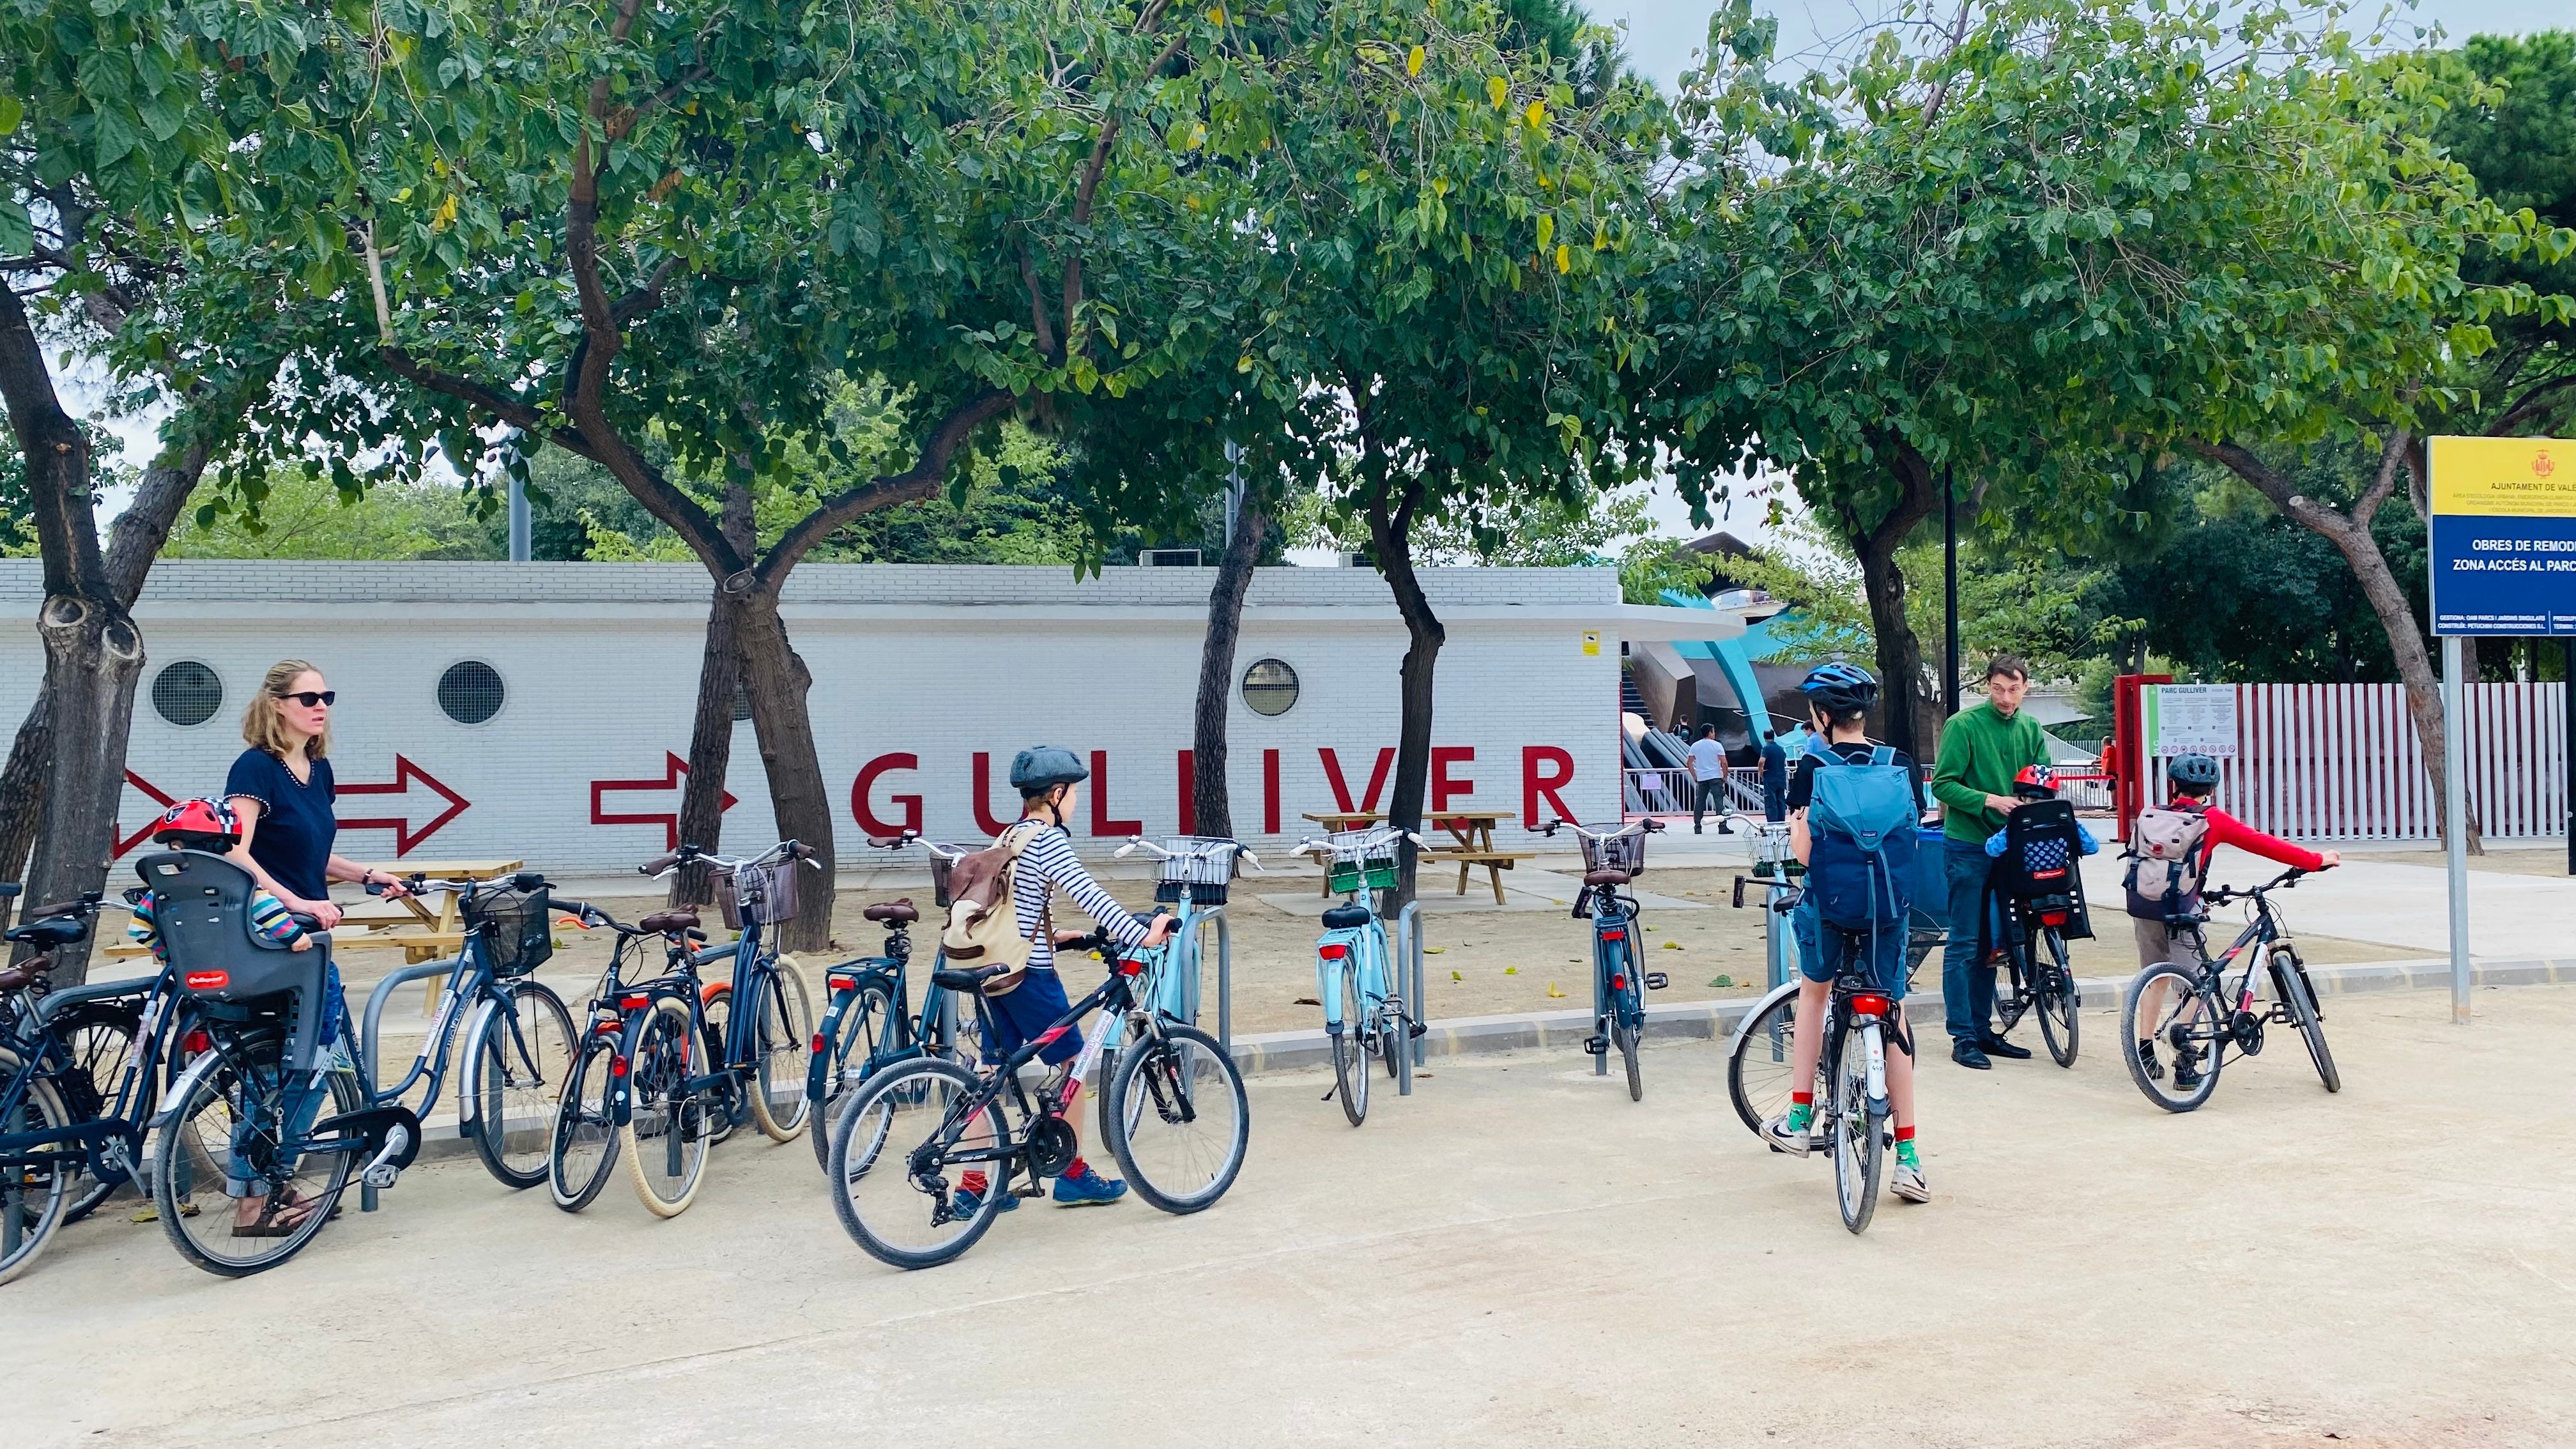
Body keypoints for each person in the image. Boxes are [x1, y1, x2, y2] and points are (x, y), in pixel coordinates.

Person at [951, 746, 1177, 1217]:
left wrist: (1055, 936)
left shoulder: (1009, 835)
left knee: (993, 1072)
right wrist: (1144, 934)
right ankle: (1073, 1175)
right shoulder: (1048, 840)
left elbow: (1015, 905)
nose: (1075, 801)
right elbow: (1090, 895)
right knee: (1076, 1062)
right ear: (1056, 794)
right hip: (1028, 977)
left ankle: (974, 1186)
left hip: (993, 973)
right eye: (1073, 793)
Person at [1759, 663, 1931, 1203]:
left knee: (1814, 997)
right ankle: (1908, 1157)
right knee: (1892, 1012)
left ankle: (1799, 1114)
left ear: (1823, 715)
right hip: (1888, 911)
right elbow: (1912, 839)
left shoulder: (1810, 767)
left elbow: (1805, 853)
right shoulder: (1899, 764)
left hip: (1830, 909)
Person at [2128, 753, 2339, 1086]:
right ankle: (2186, 1063)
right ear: (2210, 789)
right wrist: (2315, 860)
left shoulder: (2152, 815)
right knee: (2197, 984)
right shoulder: (2211, 819)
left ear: (2174, 786)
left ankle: (2144, 1052)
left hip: (2144, 906)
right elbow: (2263, 844)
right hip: (2182, 910)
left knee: (2156, 977)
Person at [1927, 654, 2051, 1069]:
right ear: (1987, 686)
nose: (2005, 697)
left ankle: (1983, 1031)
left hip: (2011, 848)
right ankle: (1962, 1036)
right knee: (1964, 940)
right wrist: (1989, 800)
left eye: (2014, 689)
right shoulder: (1962, 725)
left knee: (1992, 945)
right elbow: (1943, 784)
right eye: (1998, 688)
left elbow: (2043, 778)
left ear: (2026, 688)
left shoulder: (2031, 728)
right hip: (1968, 846)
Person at [222, 660, 411, 929]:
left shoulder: (319, 767)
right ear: (277, 705)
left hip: (311, 924)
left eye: (326, 698)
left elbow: (305, 852)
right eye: (309, 699)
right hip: (265, 928)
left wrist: (367, 876)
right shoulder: (254, 767)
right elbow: (233, 851)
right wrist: (293, 902)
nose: (321, 706)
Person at [1687, 723, 1728, 832]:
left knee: (1700, 802)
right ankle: (1722, 826)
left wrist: (1695, 775)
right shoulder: (1717, 745)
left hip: (1702, 778)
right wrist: (1725, 776)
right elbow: (1724, 762)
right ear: (1710, 733)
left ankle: (1697, 826)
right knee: (1719, 802)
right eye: (1713, 732)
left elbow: (1689, 763)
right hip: (1715, 777)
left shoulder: (1695, 746)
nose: (1714, 734)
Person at [1759, 729, 1790, 824]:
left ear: (1764, 738)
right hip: (1781, 779)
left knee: (1771, 801)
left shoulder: (1766, 749)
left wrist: (1761, 772)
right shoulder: (1780, 749)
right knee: (1781, 801)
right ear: (1774, 736)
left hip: (1770, 779)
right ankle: (1781, 821)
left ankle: (1773, 822)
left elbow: (1762, 761)